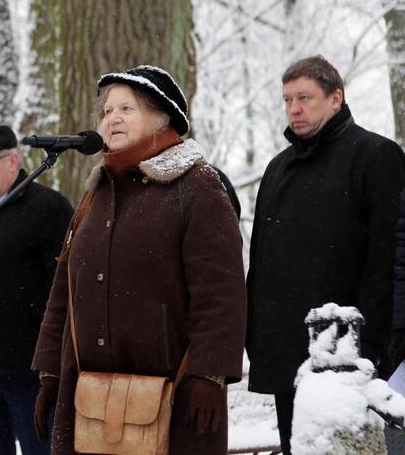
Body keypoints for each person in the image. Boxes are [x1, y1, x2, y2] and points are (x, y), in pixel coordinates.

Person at [31, 66, 247, 454]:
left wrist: (210, 374)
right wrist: (50, 372)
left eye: (126, 108)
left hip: (174, 394)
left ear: (161, 117)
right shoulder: (95, 193)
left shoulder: (198, 186)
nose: (111, 118)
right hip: (88, 398)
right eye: (107, 110)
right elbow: (63, 289)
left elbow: (221, 292)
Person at [246, 55, 405, 454]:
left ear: (336, 98)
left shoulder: (376, 155)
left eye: (305, 97)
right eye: (287, 100)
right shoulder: (277, 169)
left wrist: (372, 344)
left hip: (351, 353)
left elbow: (385, 258)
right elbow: (262, 262)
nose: (294, 109)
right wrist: (256, 337)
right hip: (287, 352)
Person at [0, 125, 73, 455]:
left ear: (14, 161)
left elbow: (64, 288)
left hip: (30, 367)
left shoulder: (48, 208)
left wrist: (54, 357)